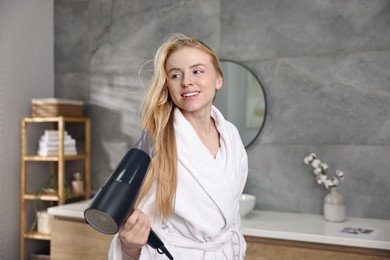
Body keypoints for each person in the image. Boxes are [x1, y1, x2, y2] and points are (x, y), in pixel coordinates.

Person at [108, 33, 248, 260]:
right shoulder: (157, 142)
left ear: (218, 79)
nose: (186, 81)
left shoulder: (230, 135)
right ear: (168, 85)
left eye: (197, 71)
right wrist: (129, 246)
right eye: (175, 75)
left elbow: (232, 216)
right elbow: (134, 229)